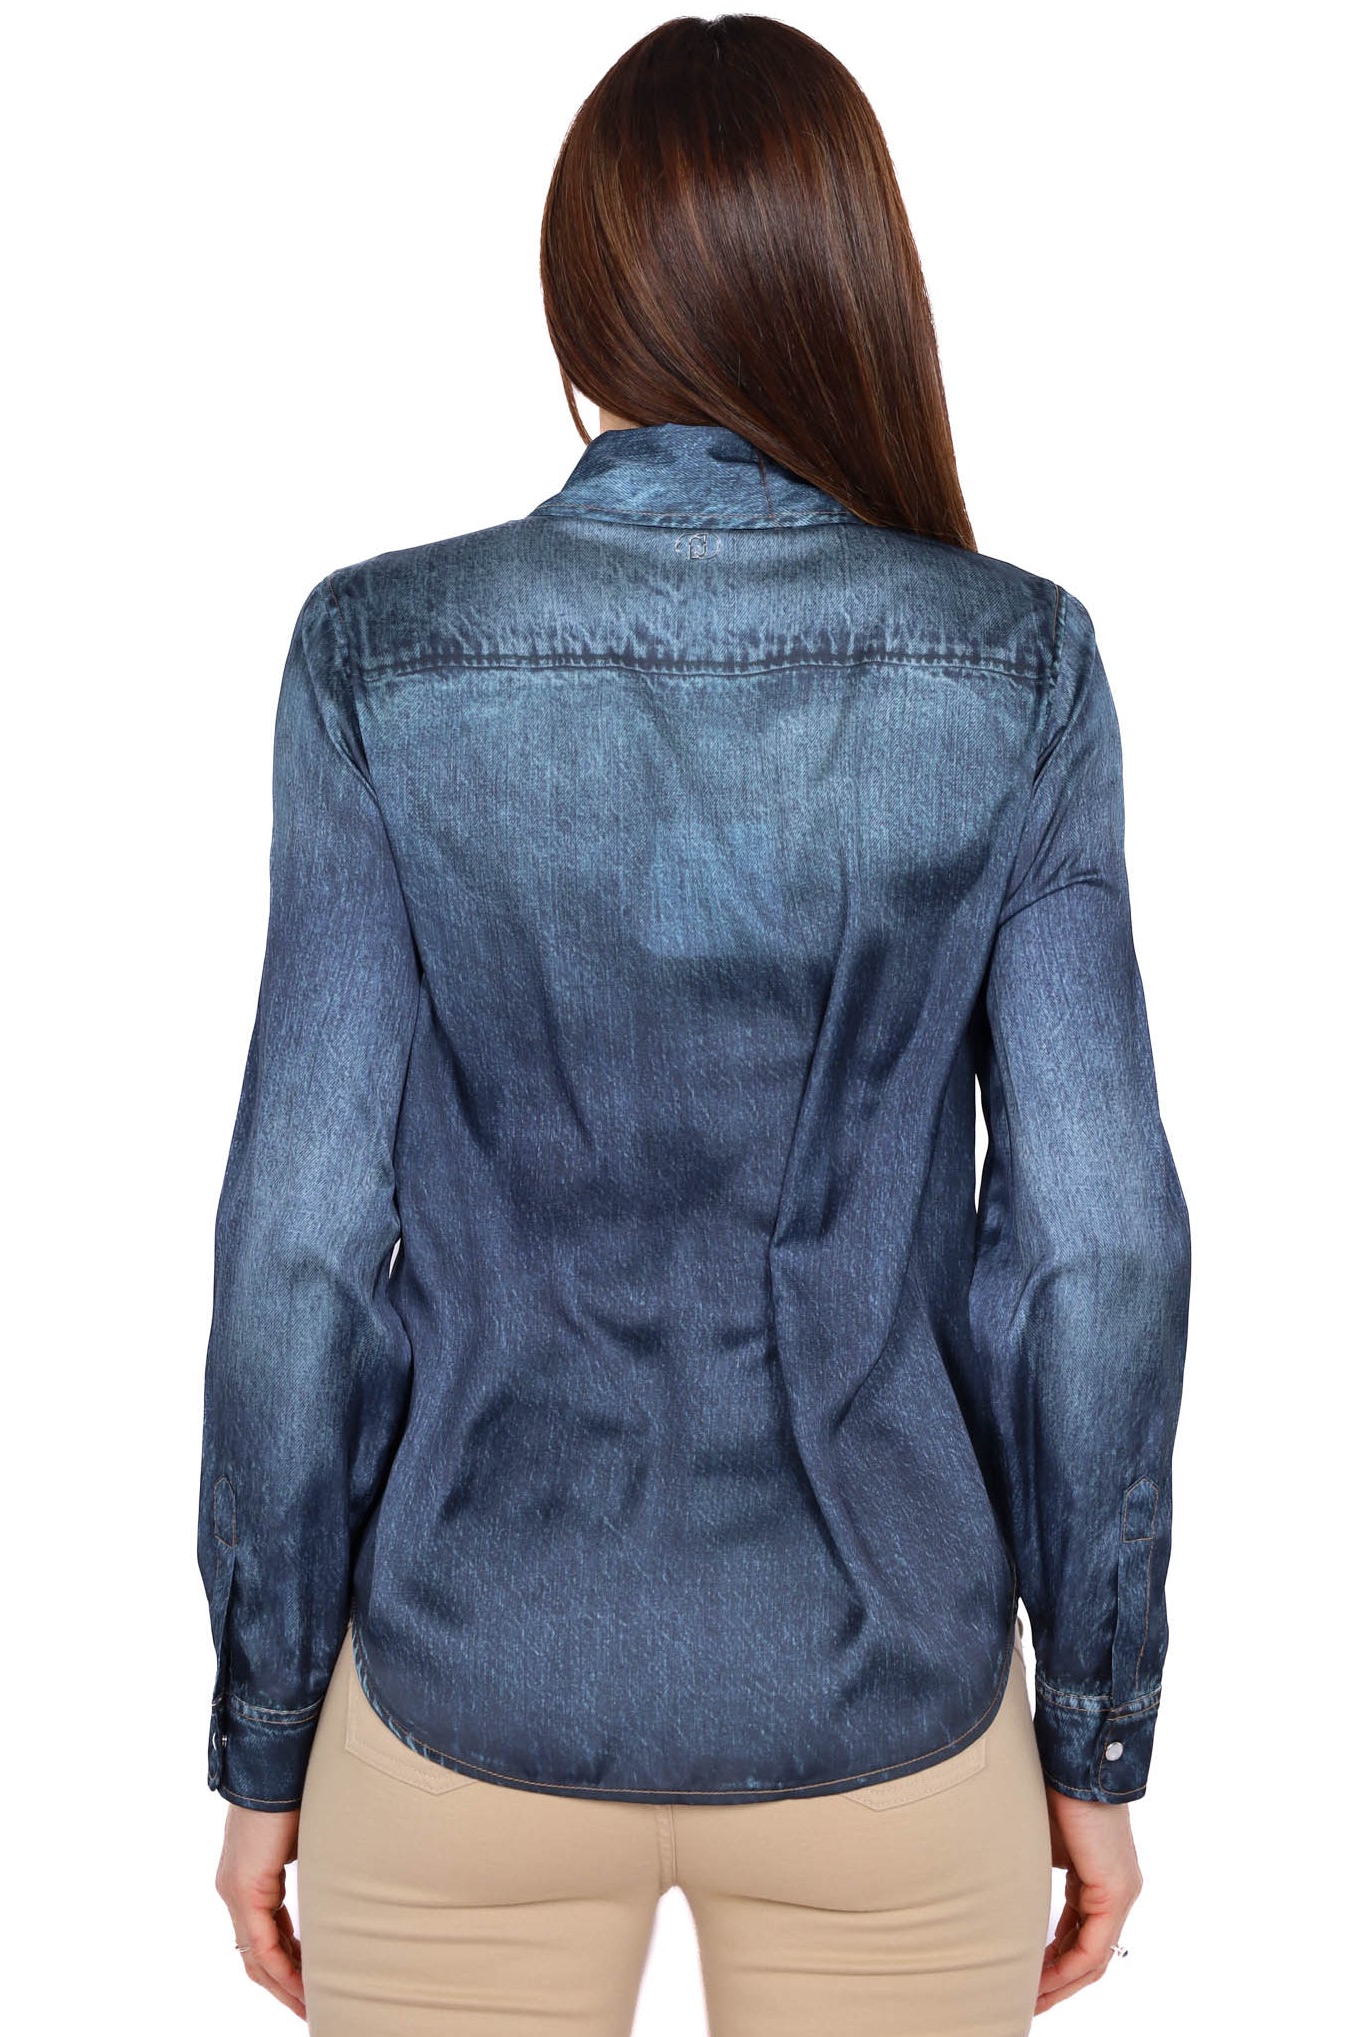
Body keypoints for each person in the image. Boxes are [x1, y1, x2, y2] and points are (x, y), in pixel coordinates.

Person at [199, 15, 1191, 2034]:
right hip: (890, 1709)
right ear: (854, 280)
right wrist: (1092, 1732)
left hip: (464, 1693)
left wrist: (265, 1733)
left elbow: (298, 1252)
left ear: (580, 296)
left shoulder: (378, 654)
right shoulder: (1018, 667)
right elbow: (1096, 1251)